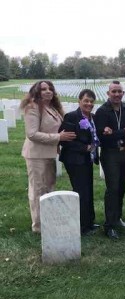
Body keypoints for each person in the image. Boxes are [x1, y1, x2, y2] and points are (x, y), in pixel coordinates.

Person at [20, 80, 76, 233]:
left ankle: (47, 218)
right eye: (43, 89)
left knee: (49, 186)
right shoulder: (32, 107)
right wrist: (58, 137)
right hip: (36, 154)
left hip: (49, 153)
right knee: (38, 189)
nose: (48, 91)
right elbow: (32, 134)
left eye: (50, 88)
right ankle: (38, 225)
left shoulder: (52, 107)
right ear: (36, 91)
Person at [94, 81, 125, 239]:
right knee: (112, 189)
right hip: (110, 154)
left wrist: (114, 133)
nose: (117, 94)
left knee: (122, 188)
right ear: (108, 93)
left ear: (123, 93)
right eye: (114, 92)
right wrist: (122, 132)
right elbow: (101, 136)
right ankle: (109, 225)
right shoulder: (102, 112)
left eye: (119, 91)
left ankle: (117, 217)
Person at [59, 89, 100, 235]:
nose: (89, 104)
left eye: (91, 101)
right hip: (74, 161)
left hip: (87, 160)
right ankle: (82, 226)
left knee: (88, 190)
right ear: (79, 101)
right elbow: (65, 141)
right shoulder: (71, 117)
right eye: (86, 101)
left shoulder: (93, 117)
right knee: (81, 191)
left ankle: (90, 221)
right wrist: (85, 147)